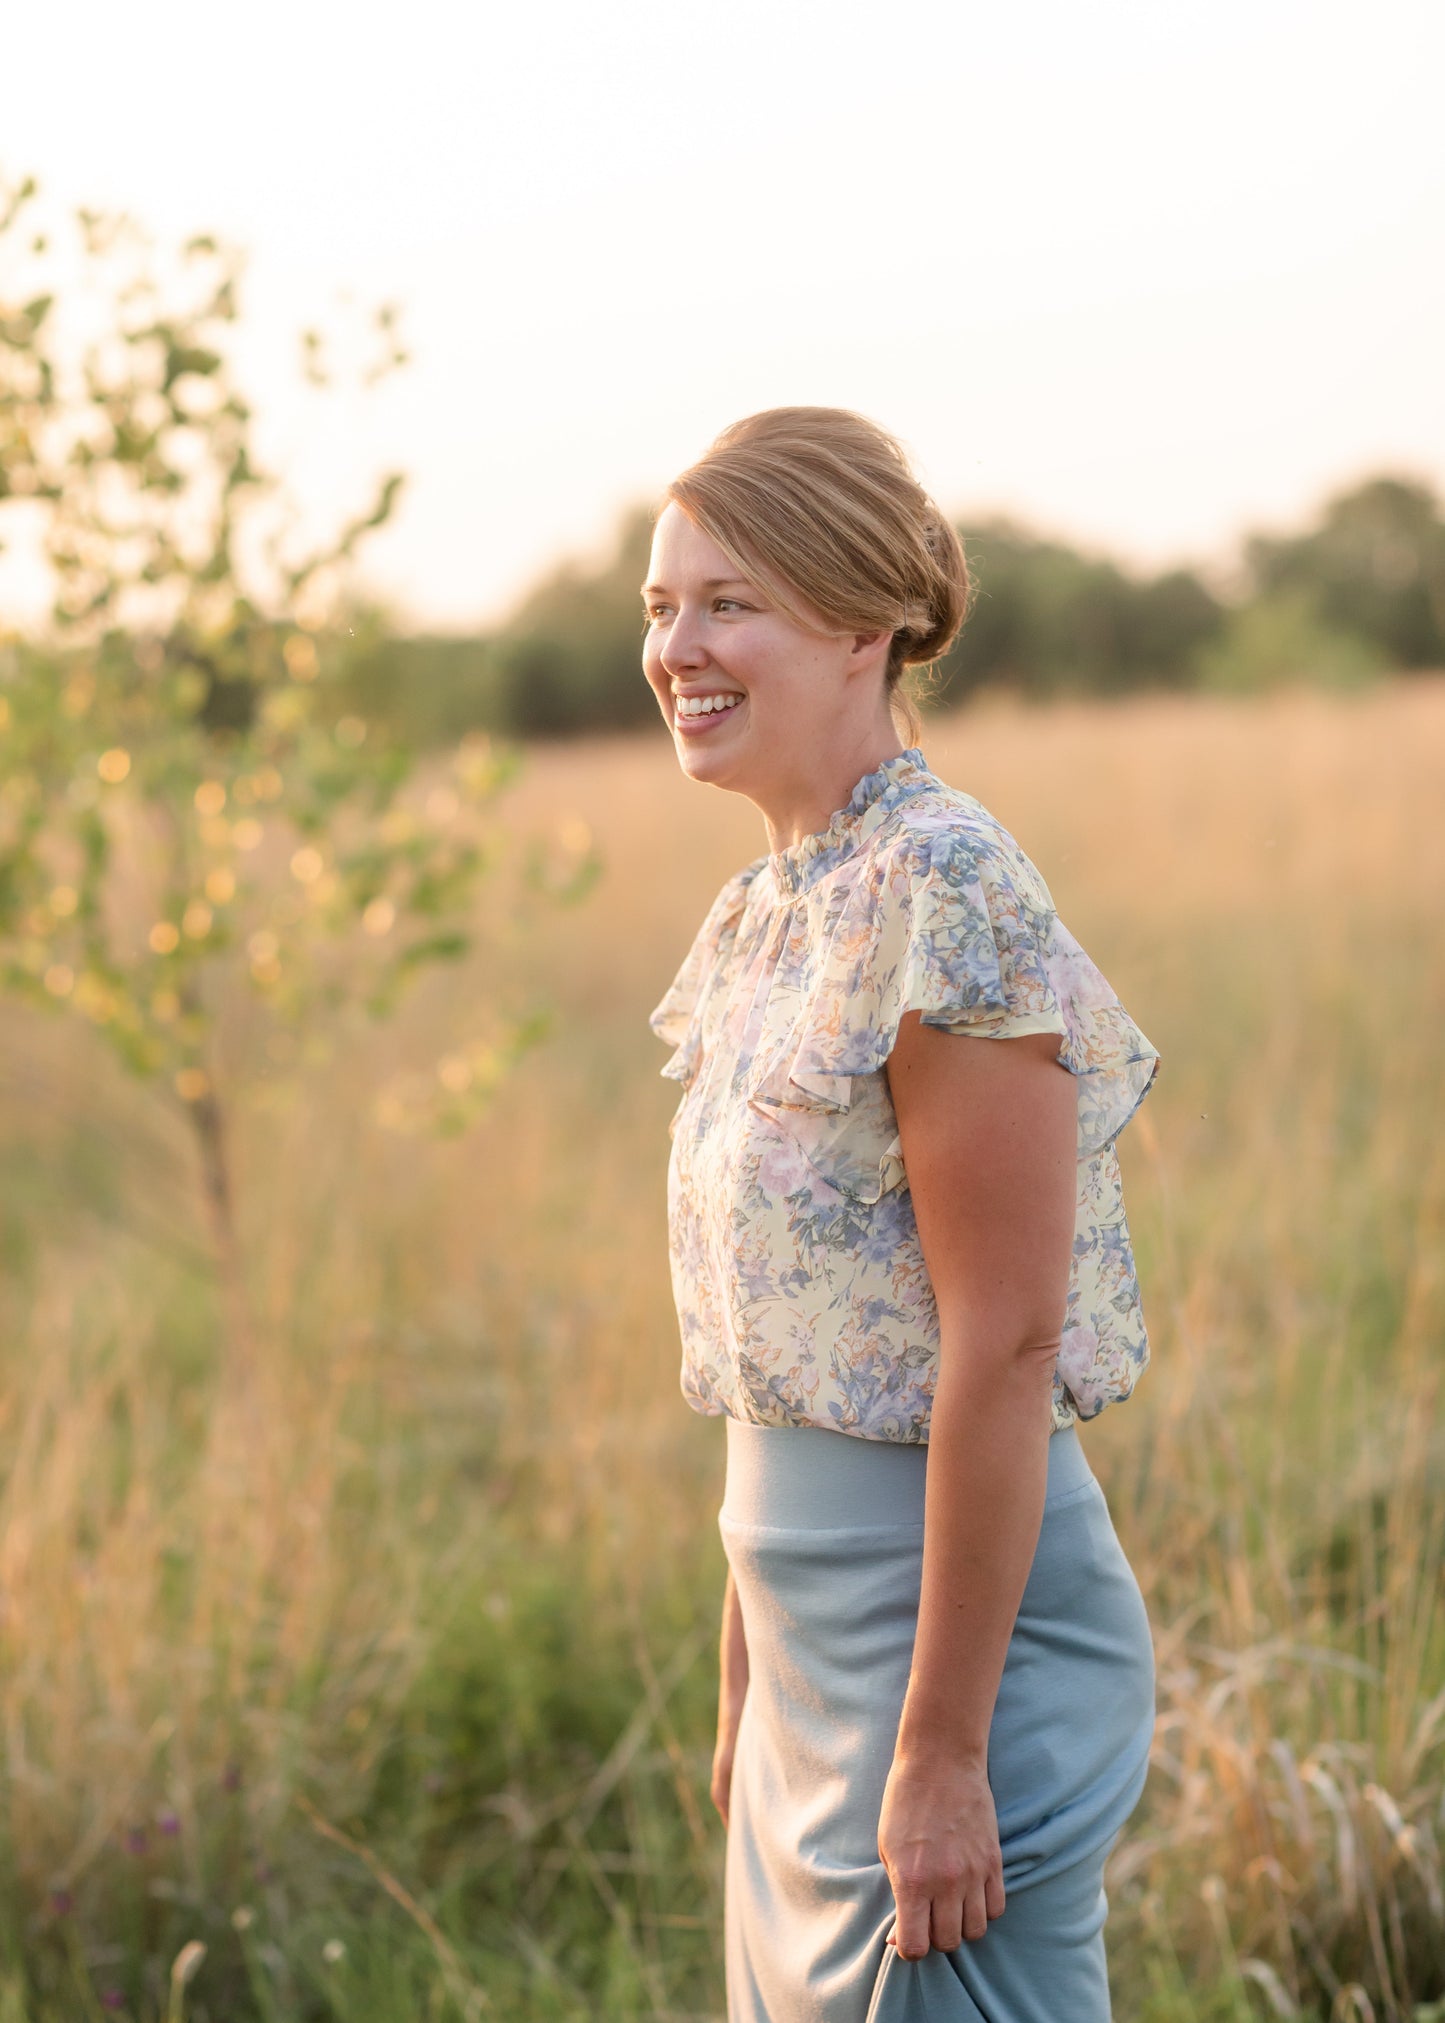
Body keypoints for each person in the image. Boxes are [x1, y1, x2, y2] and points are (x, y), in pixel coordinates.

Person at [643, 407, 1160, 2023]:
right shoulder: (763, 909)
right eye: (661, 606)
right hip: (807, 1660)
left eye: (728, 602)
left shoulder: (946, 888)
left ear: (862, 623)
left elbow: (1002, 1350)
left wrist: (940, 1752)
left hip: (953, 1662)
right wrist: (747, 1673)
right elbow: (780, 1338)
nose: (678, 648)